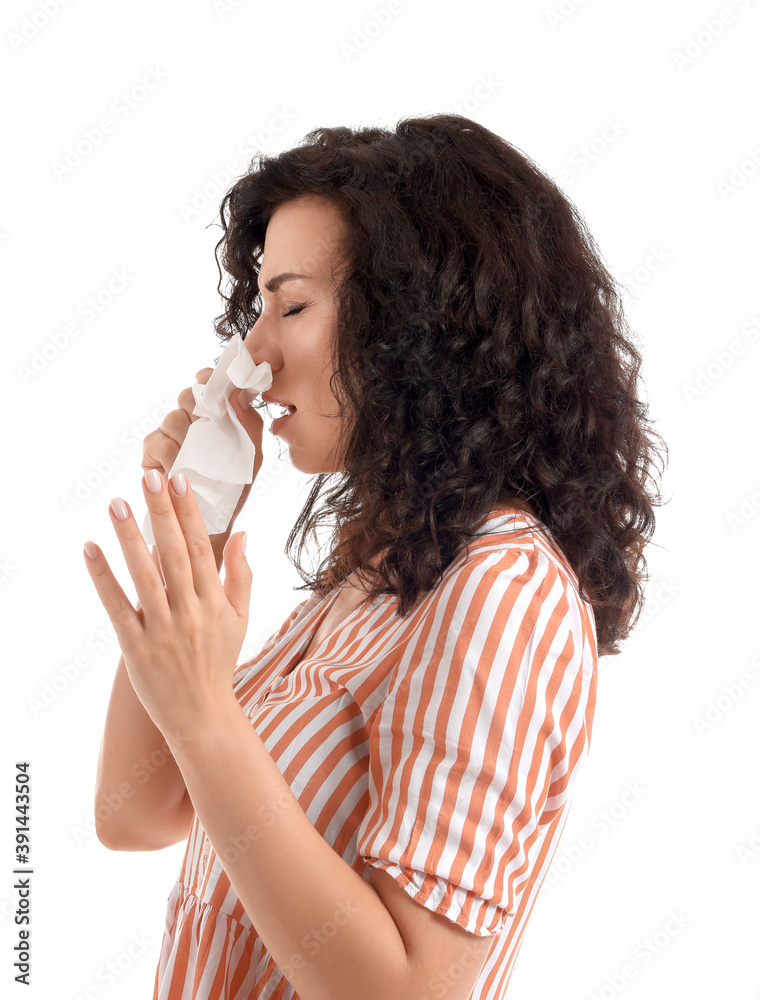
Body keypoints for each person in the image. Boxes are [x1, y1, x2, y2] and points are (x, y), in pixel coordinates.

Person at [85, 114, 667, 1000]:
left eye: (292, 305)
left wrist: (206, 709)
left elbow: (411, 990)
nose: (253, 353)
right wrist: (196, 521)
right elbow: (135, 810)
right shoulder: (369, 586)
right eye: (257, 308)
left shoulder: (502, 590)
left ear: (417, 326)